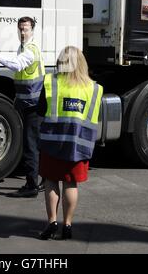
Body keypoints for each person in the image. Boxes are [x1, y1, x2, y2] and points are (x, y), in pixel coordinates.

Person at [37, 46, 103, 239]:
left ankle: (52, 222)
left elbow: (41, 110)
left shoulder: (51, 82)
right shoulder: (94, 88)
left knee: (51, 182)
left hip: (51, 143)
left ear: (61, 62)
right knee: (71, 183)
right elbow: (95, 116)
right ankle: (67, 225)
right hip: (79, 145)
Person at [0, 16, 45, 197]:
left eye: (25, 29)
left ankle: (32, 186)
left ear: (32, 30)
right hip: (28, 103)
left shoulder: (31, 50)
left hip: (33, 106)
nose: (22, 32)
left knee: (30, 145)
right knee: (33, 144)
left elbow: (17, 66)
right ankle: (40, 181)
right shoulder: (23, 47)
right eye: (20, 29)